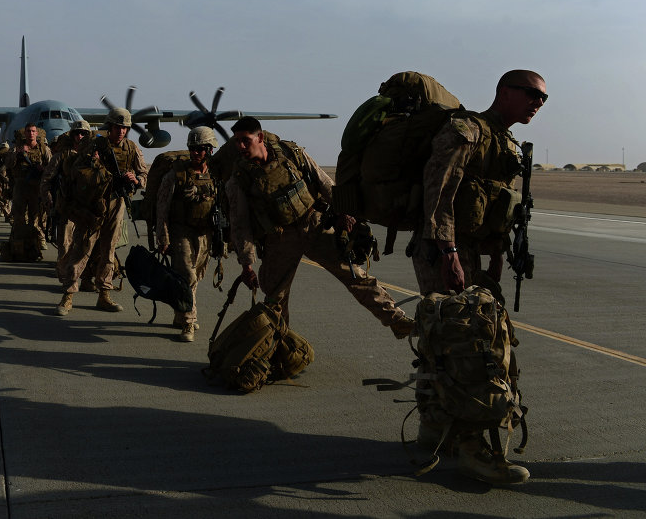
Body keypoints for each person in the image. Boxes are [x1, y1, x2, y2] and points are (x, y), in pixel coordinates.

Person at [410, 69, 547, 485]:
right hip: (445, 249)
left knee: (447, 342)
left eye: (544, 98)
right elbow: (438, 192)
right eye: (532, 93)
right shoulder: (466, 130)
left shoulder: (504, 142)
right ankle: (474, 450)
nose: (538, 103)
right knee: (469, 348)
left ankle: (435, 428)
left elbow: (494, 204)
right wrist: (449, 252)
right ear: (504, 91)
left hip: (471, 252)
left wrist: (496, 258)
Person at [225, 116, 414, 334]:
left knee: (355, 276)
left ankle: (397, 320)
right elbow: (240, 224)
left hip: (315, 224)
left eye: (245, 140)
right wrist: (247, 264)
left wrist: (344, 212)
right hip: (280, 238)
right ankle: (280, 346)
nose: (240, 146)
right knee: (276, 299)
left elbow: (324, 182)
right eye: (237, 141)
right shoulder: (238, 179)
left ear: (259, 137)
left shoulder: (291, 153)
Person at [56, 108, 147, 316]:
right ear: (110, 126)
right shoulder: (94, 144)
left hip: (117, 203)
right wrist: (93, 161)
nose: (121, 131)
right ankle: (68, 295)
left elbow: (144, 174)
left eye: (124, 128)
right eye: (117, 127)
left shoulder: (131, 148)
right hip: (93, 204)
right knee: (82, 248)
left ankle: (104, 294)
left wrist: (136, 180)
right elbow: (75, 171)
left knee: (109, 250)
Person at [155, 127, 220, 342]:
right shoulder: (176, 174)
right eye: (192, 148)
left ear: (209, 150)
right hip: (181, 231)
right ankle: (188, 321)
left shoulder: (216, 174)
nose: (195, 153)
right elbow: (162, 207)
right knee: (187, 276)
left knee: (196, 275)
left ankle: (180, 314)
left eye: (200, 149)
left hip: (205, 234)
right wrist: (163, 237)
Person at [41, 120, 92, 280]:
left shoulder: (94, 155)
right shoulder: (61, 156)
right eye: (77, 133)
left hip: (87, 207)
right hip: (66, 205)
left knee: (87, 244)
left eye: (84, 133)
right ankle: (65, 277)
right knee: (65, 243)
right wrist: (48, 199)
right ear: (72, 136)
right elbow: (46, 180)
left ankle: (84, 276)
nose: (80, 136)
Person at [4, 123, 52, 246]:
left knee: (35, 217)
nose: (31, 133)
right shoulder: (16, 148)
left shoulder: (43, 149)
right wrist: (18, 154)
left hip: (36, 187)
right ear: (25, 133)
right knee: (18, 216)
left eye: (33, 131)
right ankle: (18, 242)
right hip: (20, 186)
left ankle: (36, 241)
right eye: (28, 131)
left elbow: (52, 167)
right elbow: (8, 164)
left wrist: (43, 169)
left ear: (36, 133)